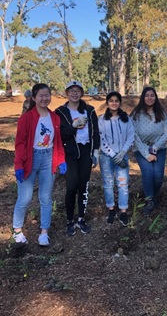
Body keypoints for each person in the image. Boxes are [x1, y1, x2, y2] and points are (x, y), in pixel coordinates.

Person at [12, 83, 67, 246]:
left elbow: (58, 141)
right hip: (30, 158)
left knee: (46, 198)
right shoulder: (26, 118)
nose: (44, 98)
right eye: (41, 96)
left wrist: (61, 160)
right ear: (34, 98)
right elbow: (20, 143)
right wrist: (19, 165)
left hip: (48, 159)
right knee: (25, 197)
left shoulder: (54, 117)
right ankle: (17, 231)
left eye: (47, 95)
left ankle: (44, 232)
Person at [56, 80, 100, 236]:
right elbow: (60, 133)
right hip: (70, 152)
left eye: (77, 91)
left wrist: (95, 152)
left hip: (86, 150)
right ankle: (69, 220)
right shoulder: (61, 112)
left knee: (84, 185)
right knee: (71, 186)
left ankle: (81, 218)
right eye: (71, 91)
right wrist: (73, 126)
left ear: (82, 93)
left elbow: (95, 131)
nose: (75, 93)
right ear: (67, 93)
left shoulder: (89, 110)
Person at [131, 86, 167, 216]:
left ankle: (153, 194)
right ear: (143, 97)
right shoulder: (135, 114)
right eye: (147, 95)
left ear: (156, 97)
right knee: (148, 172)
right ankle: (149, 200)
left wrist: (154, 148)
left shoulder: (162, 113)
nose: (150, 98)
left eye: (152, 95)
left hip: (159, 148)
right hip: (141, 148)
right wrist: (146, 153)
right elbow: (134, 135)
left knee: (158, 176)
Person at [98, 91, 135, 225]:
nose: (114, 103)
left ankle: (123, 211)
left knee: (123, 184)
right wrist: (113, 155)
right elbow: (101, 139)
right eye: (111, 100)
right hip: (107, 157)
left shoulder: (126, 119)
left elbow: (131, 136)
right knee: (108, 184)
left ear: (120, 103)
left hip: (122, 156)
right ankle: (111, 209)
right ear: (107, 102)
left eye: (116, 101)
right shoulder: (101, 120)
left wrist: (122, 152)